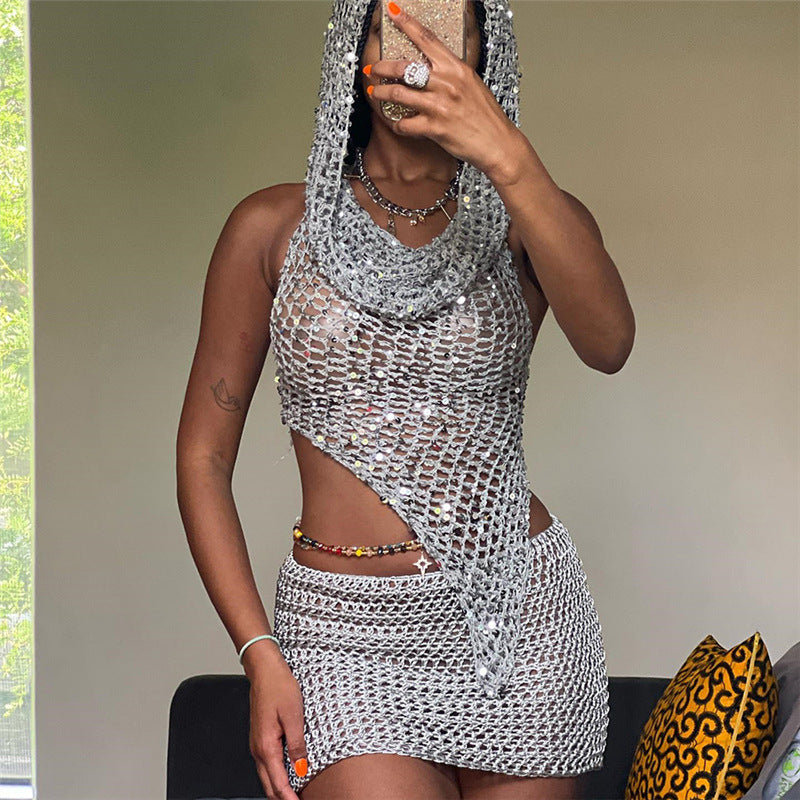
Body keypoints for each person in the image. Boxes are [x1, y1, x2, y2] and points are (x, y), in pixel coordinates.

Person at [176, 0, 635, 798]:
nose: (417, 53)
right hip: (342, 635)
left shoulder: (530, 221)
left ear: (485, 54)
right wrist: (258, 653)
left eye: (445, 28)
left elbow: (610, 344)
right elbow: (203, 458)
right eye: (394, 24)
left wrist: (507, 154)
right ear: (353, 48)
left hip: (515, 620)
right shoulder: (271, 227)